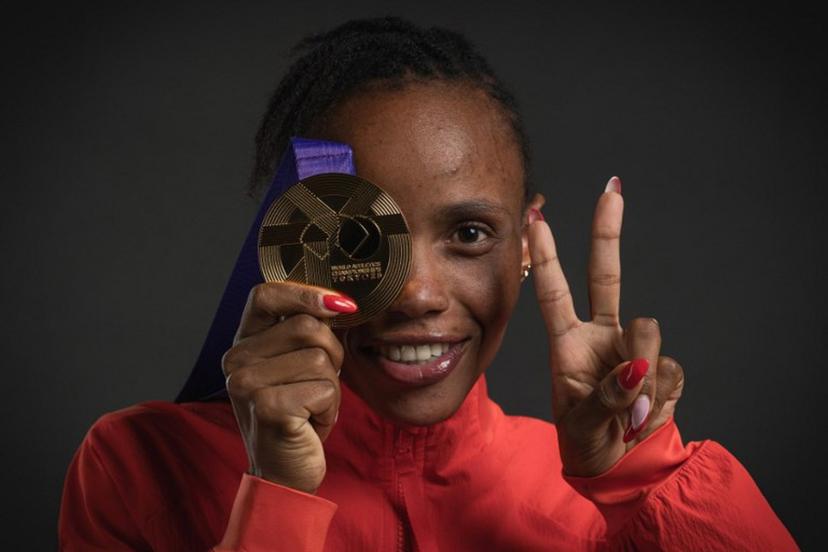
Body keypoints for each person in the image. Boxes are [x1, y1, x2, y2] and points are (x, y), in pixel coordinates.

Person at [59, 17, 798, 551]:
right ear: (290, 245)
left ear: (526, 243)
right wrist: (276, 499)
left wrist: (644, 484)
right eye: (358, 237)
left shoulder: (598, 495)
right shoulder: (140, 467)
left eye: (470, 234)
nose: (415, 295)